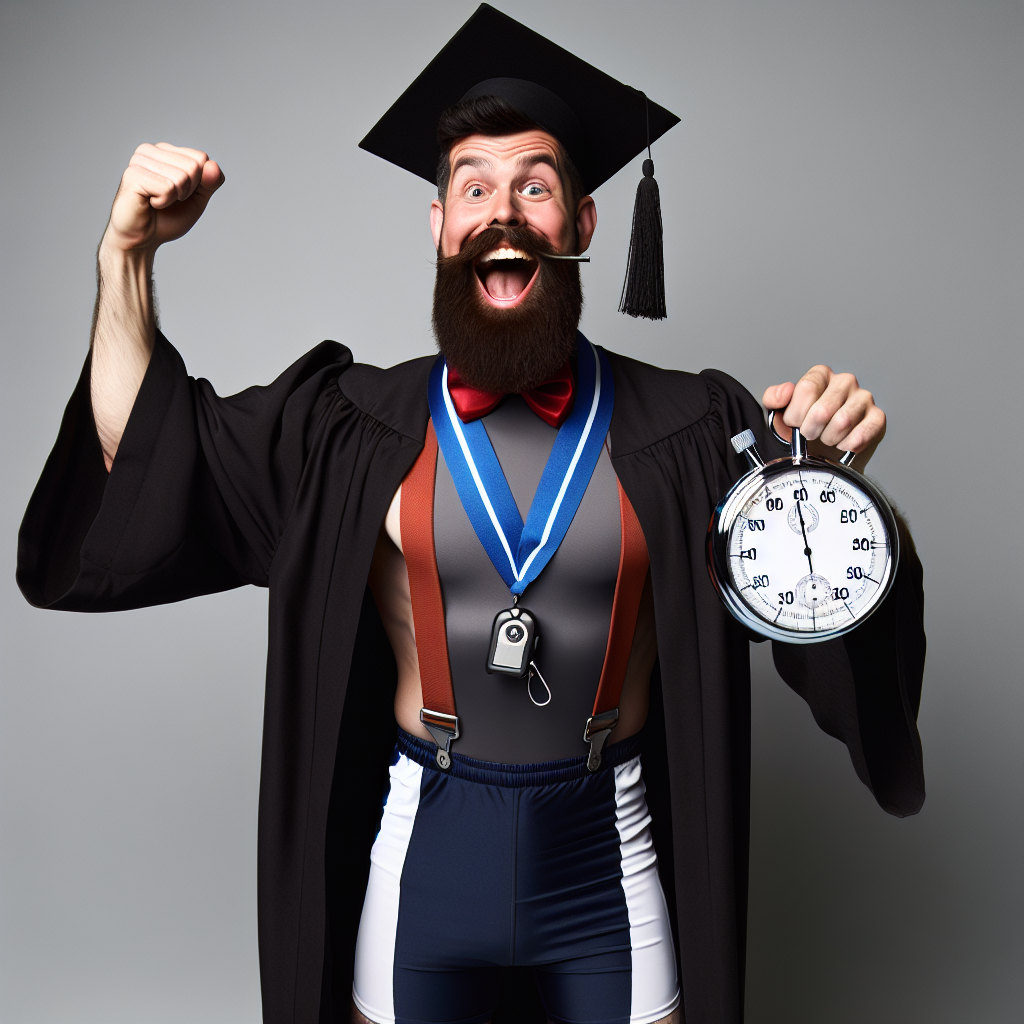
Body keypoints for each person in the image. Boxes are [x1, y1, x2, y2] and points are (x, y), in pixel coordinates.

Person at [17, 6, 925, 1024]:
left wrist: (830, 481)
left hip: (606, 851)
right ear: (442, 227)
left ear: (580, 225)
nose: (503, 208)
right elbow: (139, 444)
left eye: (535, 185)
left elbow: (816, 591)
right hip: (424, 844)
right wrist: (125, 258)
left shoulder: (697, 427)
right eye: (473, 187)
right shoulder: (347, 424)